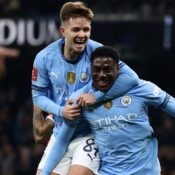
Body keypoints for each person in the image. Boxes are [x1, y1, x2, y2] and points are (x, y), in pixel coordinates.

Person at [31, 2, 140, 175]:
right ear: (63, 31)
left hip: (91, 133)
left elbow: (131, 78)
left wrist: (98, 97)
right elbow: (38, 97)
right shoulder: (44, 58)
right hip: (61, 134)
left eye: (86, 30)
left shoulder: (98, 52)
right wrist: (61, 111)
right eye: (76, 30)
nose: (82, 35)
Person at [41, 46, 175, 175]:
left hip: (146, 172)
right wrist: (44, 172)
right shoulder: (80, 100)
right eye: (97, 69)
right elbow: (62, 140)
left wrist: (97, 97)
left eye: (107, 69)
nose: (102, 75)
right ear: (90, 69)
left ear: (118, 69)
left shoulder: (140, 88)